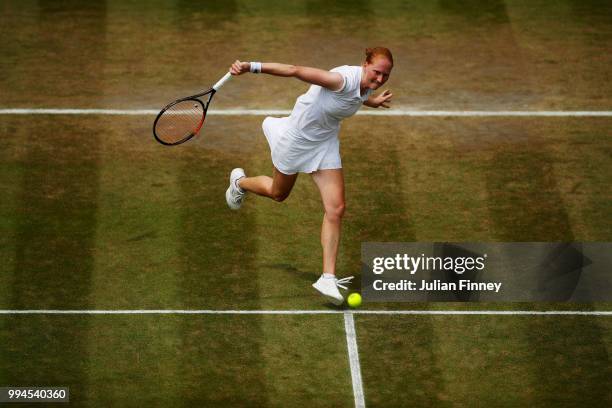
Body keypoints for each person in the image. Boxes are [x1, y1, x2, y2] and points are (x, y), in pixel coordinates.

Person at [226, 47, 394, 305]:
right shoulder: (340, 80)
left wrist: (373, 100)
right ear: (364, 64)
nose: (380, 79)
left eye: (386, 75)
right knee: (278, 193)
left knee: (336, 208)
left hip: (325, 143)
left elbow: (358, 98)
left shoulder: (367, 85)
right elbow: (295, 71)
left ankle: (328, 277)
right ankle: (239, 183)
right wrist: (252, 66)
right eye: (377, 72)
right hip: (296, 140)